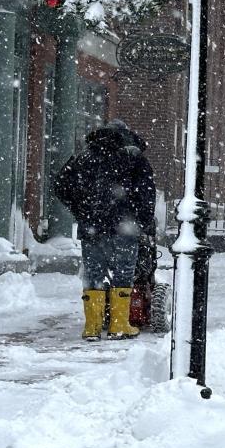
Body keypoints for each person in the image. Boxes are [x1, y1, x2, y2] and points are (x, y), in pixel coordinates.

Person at [53, 120, 155, 340]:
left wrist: (81, 209)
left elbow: (61, 184)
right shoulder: (134, 159)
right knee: (124, 273)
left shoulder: (85, 158)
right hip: (124, 227)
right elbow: (147, 194)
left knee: (93, 274)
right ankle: (119, 325)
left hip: (92, 228)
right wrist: (142, 220)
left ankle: (92, 327)